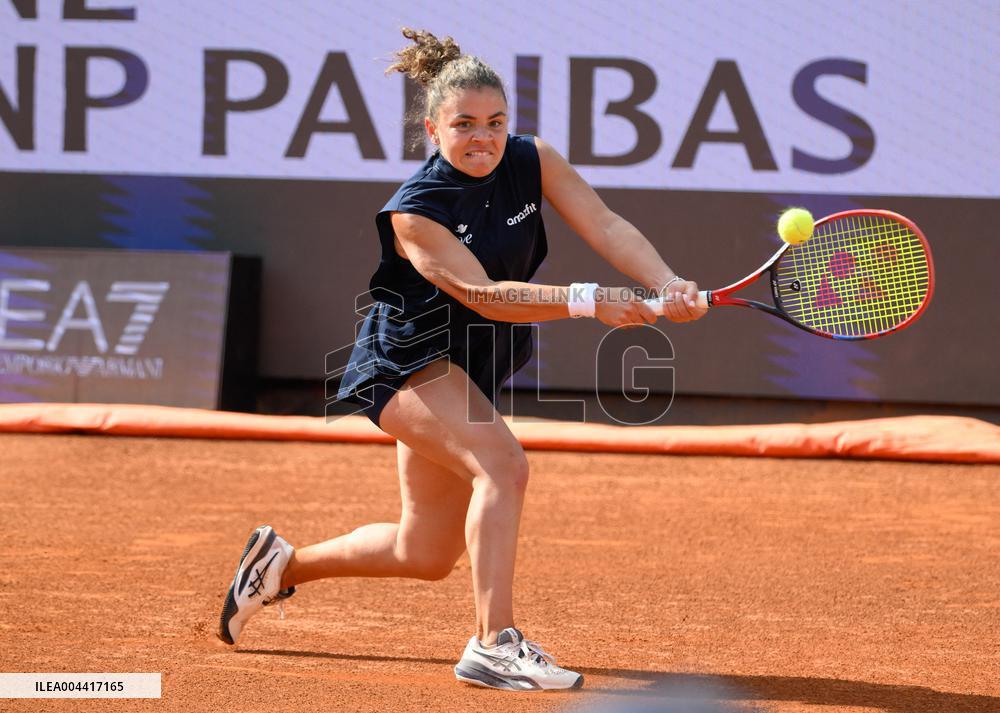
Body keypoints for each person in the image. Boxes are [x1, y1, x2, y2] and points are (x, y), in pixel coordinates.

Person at [217, 28, 705, 692]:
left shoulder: (533, 160)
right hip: (407, 363)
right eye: (466, 124)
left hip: (469, 365)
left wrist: (668, 282)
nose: (485, 136)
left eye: (496, 122)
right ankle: (492, 644)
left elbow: (608, 224)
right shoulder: (414, 211)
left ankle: (280, 565)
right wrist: (591, 299)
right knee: (503, 467)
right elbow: (486, 294)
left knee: (424, 551)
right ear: (432, 128)